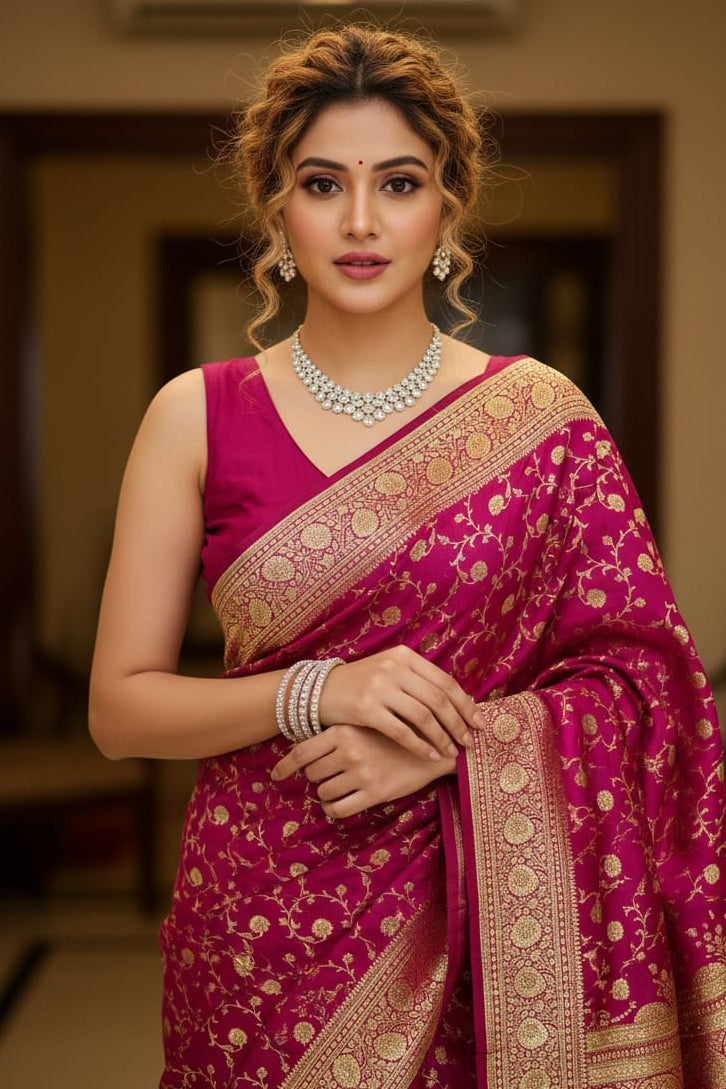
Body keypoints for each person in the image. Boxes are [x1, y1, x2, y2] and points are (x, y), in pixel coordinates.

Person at [89, 23, 726, 1089]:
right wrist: (321, 691)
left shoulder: (543, 420)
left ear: (446, 209)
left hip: (481, 926)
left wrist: (457, 748)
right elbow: (120, 709)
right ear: (277, 213)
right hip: (257, 926)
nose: (360, 220)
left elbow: (647, 689)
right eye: (322, 183)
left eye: (398, 182)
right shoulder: (195, 415)